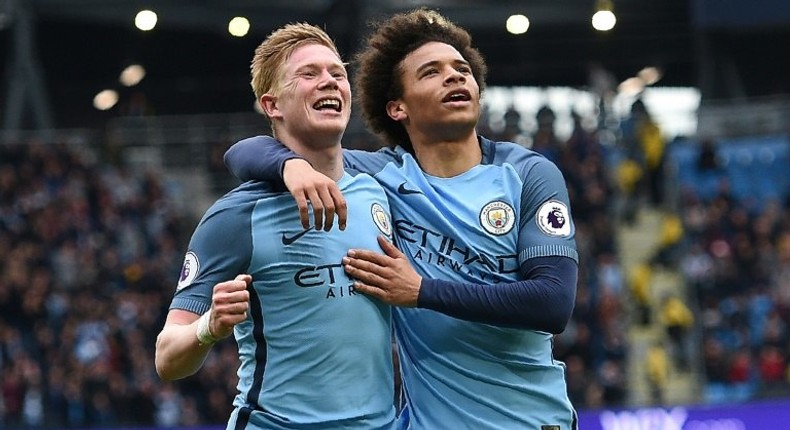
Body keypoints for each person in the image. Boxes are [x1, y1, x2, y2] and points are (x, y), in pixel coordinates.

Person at [224, 9, 579, 429]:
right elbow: (242, 153)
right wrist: (290, 166)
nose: (455, 77)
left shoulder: (527, 173)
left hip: (530, 421)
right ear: (397, 108)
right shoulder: (380, 177)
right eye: (432, 72)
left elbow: (552, 303)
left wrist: (421, 291)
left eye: (463, 69)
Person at [154, 23, 397, 430]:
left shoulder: (380, 185)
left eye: (337, 73)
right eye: (309, 74)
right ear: (272, 105)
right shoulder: (235, 217)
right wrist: (208, 327)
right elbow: (166, 358)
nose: (329, 82)